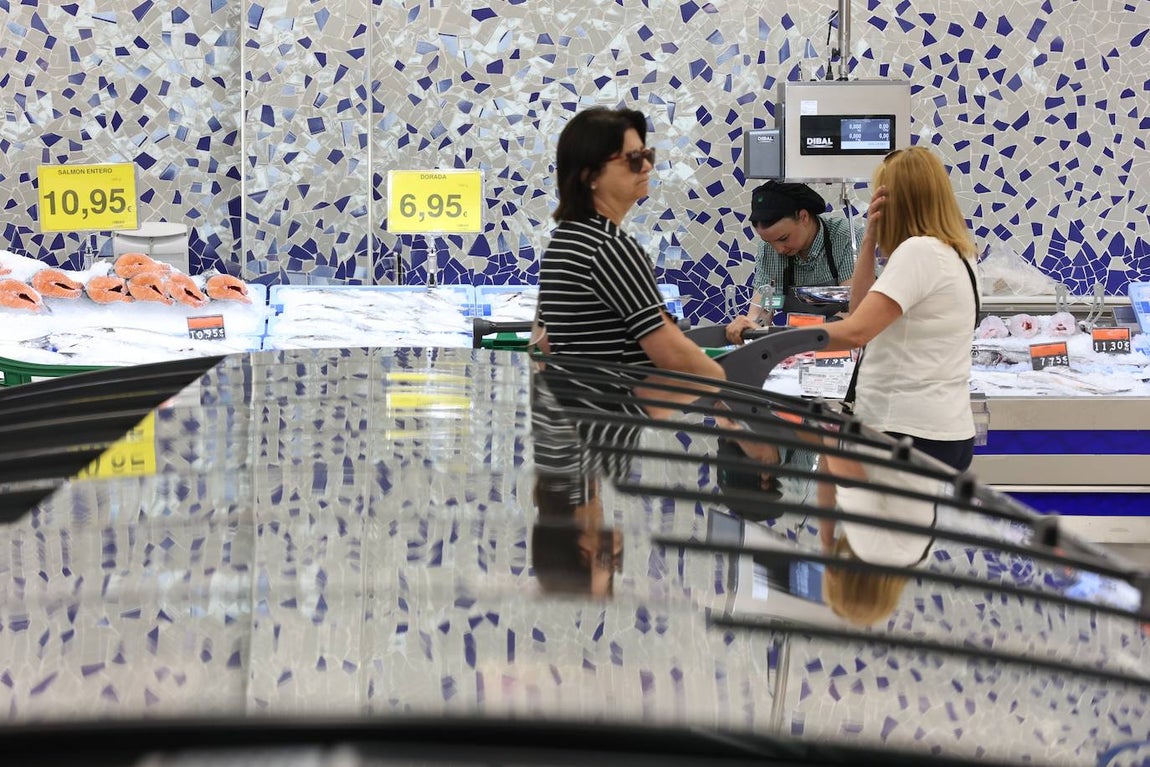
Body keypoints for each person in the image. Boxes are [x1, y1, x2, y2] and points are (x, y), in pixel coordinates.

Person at [532, 106, 724, 417]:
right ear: (589, 175)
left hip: (578, 430)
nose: (647, 166)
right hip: (614, 438)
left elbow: (546, 343)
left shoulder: (564, 241)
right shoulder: (610, 248)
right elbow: (677, 357)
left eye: (648, 154)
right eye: (633, 159)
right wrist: (722, 384)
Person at [819, 145, 981, 473]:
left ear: (895, 202)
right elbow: (860, 309)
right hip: (942, 431)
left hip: (907, 433)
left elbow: (855, 332)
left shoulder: (919, 252)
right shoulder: (959, 254)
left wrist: (773, 340)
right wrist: (869, 241)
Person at [725, 181, 863, 344]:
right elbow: (764, 308)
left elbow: (856, 309)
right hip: (797, 345)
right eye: (769, 242)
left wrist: (805, 334)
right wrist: (750, 328)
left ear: (803, 217)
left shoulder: (846, 237)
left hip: (842, 342)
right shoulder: (768, 249)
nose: (778, 249)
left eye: (783, 238)